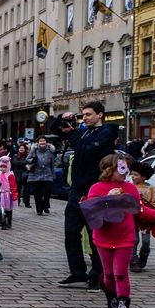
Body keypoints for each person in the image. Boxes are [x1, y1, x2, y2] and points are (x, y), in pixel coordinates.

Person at [85, 155, 155, 308]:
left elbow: (140, 210)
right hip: (103, 237)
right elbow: (92, 212)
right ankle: (111, 297)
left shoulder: (130, 188)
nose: (125, 172)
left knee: (120, 273)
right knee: (109, 274)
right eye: (121, 168)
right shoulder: (97, 187)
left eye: (127, 168)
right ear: (109, 169)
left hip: (125, 237)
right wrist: (108, 199)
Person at [52, 101, 118, 291]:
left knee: (94, 235)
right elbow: (55, 130)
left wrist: (73, 134)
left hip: (94, 191)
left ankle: (97, 276)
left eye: (89, 114)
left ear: (100, 115)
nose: (85, 118)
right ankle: (77, 273)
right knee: (71, 233)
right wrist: (62, 118)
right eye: (83, 115)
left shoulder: (107, 132)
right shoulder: (83, 132)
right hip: (77, 191)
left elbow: (87, 150)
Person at [129, 161, 155, 273]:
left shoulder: (151, 188)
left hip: (146, 219)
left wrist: (154, 211)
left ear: (144, 177)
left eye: (136, 175)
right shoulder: (129, 187)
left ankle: (144, 255)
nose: (133, 176)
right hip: (132, 218)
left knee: (146, 240)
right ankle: (133, 261)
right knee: (134, 240)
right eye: (132, 174)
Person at [26, 136, 56, 216]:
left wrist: (53, 175)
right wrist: (33, 160)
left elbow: (52, 164)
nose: (42, 142)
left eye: (44, 141)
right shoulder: (34, 150)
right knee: (37, 194)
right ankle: (39, 210)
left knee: (47, 192)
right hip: (36, 175)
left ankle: (45, 205)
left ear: (46, 142)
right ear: (38, 143)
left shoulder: (50, 151)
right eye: (40, 141)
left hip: (47, 175)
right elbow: (27, 159)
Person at [0, 156, 19, 229]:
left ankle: (9, 222)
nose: (2, 168)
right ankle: (2, 222)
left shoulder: (10, 175)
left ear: (8, 166)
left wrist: (14, 194)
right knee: (1, 209)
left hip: (8, 194)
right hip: (0, 194)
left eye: (4, 167)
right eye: (1, 167)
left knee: (8, 209)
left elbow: (13, 186)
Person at [14, 143, 32, 208]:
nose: (21, 149)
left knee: (27, 190)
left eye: (23, 148)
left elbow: (32, 162)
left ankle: (27, 202)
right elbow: (16, 163)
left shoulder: (28, 156)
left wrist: (25, 162)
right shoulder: (15, 155)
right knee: (17, 189)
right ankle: (17, 201)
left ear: (25, 149)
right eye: (20, 148)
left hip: (26, 175)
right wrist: (25, 162)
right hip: (17, 174)